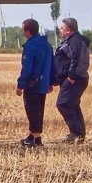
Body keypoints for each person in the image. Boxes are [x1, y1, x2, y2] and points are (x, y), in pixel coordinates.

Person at [52, 17, 90, 143]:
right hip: (77, 78)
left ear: (68, 30)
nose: (60, 30)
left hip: (75, 79)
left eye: (62, 28)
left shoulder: (74, 41)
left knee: (63, 104)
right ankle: (79, 135)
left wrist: (71, 76)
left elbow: (76, 58)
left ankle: (76, 133)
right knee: (73, 105)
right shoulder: (73, 40)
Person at [17, 18, 53, 148]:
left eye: (23, 30)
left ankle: (37, 141)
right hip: (43, 84)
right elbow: (51, 65)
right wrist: (51, 82)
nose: (22, 32)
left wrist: (20, 84)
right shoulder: (47, 45)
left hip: (32, 85)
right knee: (39, 111)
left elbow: (27, 68)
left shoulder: (30, 46)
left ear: (28, 31)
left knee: (32, 112)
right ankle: (31, 136)